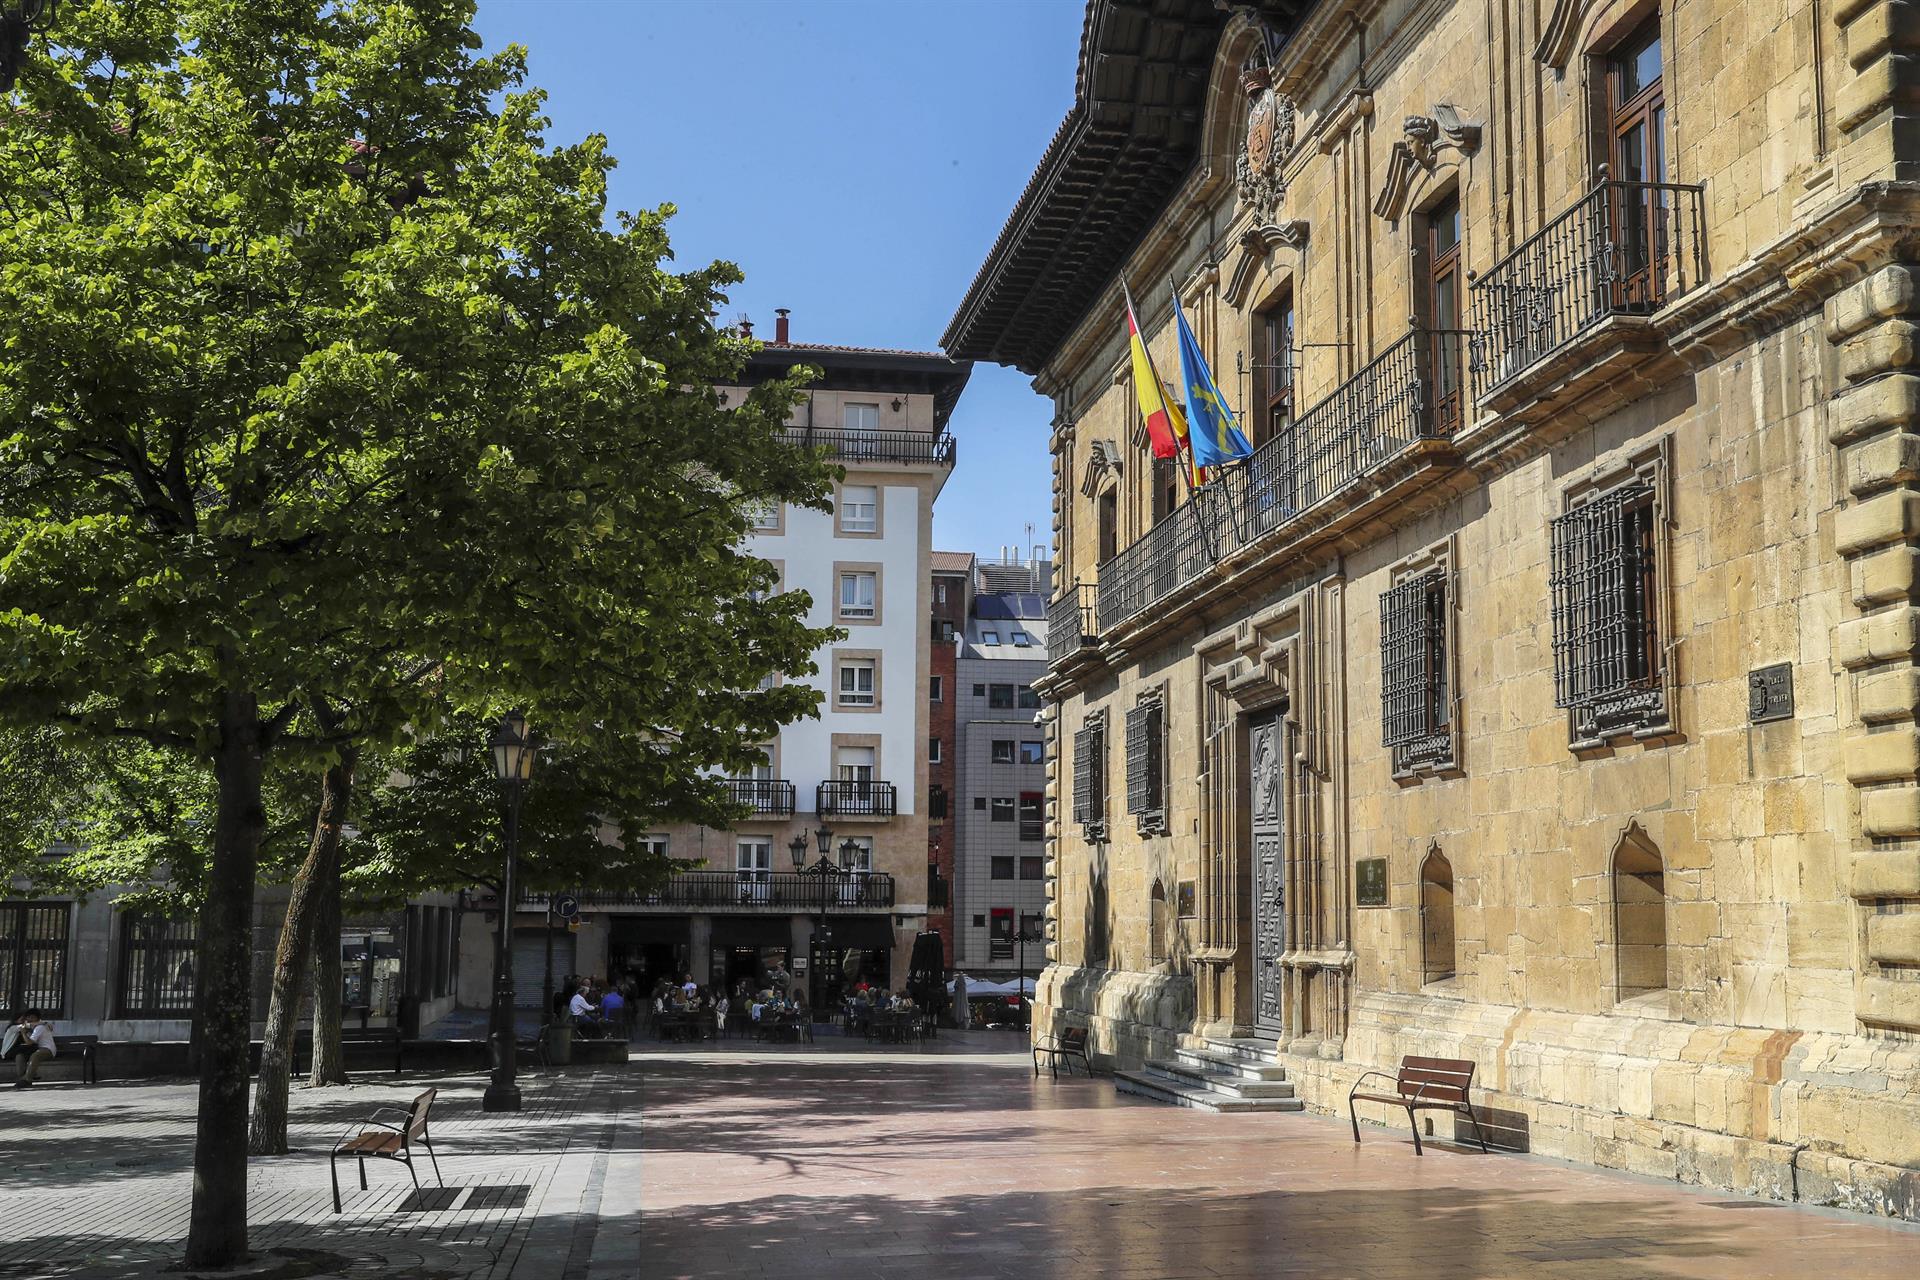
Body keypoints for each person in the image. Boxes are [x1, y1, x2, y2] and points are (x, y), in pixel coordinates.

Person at [6, 1009, 56, 1087]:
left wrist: (23, 1033)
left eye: (32, 1017)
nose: (29, 1020)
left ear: (37, 1019)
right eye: (28, 1017)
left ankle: (27, 1079)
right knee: (20, 1056)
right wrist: (45, 1023)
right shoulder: (14, 1027)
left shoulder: (39, 1028)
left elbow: (29, 1042)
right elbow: (26, 1026)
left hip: (47, 1049)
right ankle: (23, 1078)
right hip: (10, 1052)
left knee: (35, 1056)